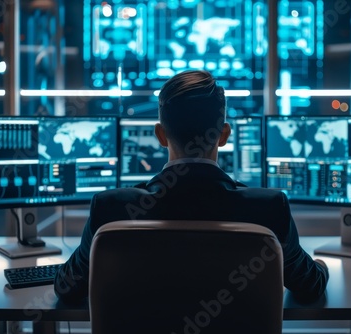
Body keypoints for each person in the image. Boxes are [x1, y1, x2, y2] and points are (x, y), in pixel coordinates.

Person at [54, 70, 329, 304]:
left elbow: (67, 288)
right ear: (224, 136)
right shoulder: (268, 209)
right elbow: (310, 288)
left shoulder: (112, 209)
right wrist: (321, 267)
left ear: (160, 135)